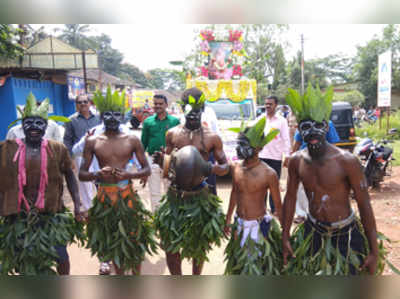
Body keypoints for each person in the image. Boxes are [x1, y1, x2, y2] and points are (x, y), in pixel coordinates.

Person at [282, 85, 378, 275]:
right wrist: (285, 236)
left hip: (346, 234)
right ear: (299, 130)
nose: (312, 133)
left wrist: (374, 251)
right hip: (313, 231)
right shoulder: (296, 161)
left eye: (318, 126)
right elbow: (290, 198)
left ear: (326, 127)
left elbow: (364, 203)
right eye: (306, 127)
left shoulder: (347, 161)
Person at [0, 93, 84, 275]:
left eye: (39, 123)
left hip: (50, 213)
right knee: (22, 259)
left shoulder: (57, 148)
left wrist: (78, 205)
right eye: (29, 122)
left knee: (61, 257)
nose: (34, 127)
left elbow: (70, 176)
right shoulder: (7, 148)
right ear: (22, 125)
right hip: (18, 215)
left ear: (46, 127)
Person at [79, 87, 155, 275]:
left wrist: (130, 175)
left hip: (127, 195)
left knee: (133, 240)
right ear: (102, 116)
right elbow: (82, 174)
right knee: (112, 239)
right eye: (107, 114)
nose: (112, 118)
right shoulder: (93, 141)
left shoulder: (132, 140)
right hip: (104, 197)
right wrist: (97, 175)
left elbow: (147, 169)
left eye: (116, 114)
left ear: (122, 116)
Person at [154, 87, 229, 275]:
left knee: (198, 247)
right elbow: (168, 168)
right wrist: (162, 161)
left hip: (199, 197)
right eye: (189, 111)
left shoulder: (212, 137)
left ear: (203, 109)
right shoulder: (172, 133)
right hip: (175, 196)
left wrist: (209, 168)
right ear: (182, 109)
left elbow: (226, 167)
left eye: (198, 111)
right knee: (171, 247)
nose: (194, 115)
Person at [224, 117, 283, 274]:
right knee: (239, 265)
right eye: (239, 143)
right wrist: (228, 218)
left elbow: (278, 205)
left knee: (257, 267)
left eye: (244, 144)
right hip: (239, 224)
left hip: (258, 226)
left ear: (258, 148)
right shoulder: (236, 168)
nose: (239, 148)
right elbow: (234, 193)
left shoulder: (269, 173)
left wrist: (285, 234)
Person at [291, 120, 340, 224]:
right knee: (300, 188)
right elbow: (297, 142)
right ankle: (301, 214)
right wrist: (293, 158)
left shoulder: (327, 123)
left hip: (323, 160)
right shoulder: (304, 123)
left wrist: (333, 161)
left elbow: (334, 143)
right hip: (304, 159)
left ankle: (324, 213)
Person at [63, 94, 101, 217]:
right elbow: (67, 140)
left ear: (90, 103)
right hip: (81, 155)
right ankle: (88, 209)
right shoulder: (71, 120)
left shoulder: (99, 117)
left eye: (85, 101)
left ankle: (102, 205)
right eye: (80, 102)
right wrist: (70, 158)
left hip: (99, 153)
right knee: (85, 183)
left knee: (100, 178)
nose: (83, 104)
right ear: (76, 105)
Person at [141, 94, 180, 212]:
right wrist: (143, 165)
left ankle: (170, 218)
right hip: (152, 160)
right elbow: (143, 144)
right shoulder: (148, 122)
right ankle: (157, 218)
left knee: (170, 190)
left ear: (166, 105)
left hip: (170, 160)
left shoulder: (175, 121)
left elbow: (179, 141)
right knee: (154, 193)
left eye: (160, 104)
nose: (157, 106)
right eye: (155, 104)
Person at [258, 96, 291, 215]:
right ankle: (262, 208)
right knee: (261, 184)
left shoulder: (281, 121)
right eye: (266, 104)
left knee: (274, 185)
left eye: (270, 104)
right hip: (262, 156)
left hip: (275, 157)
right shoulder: (261, 119)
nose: (267, 106)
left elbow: (286, 139)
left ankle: (275, 209)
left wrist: (287, 156)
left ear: (276, 105)